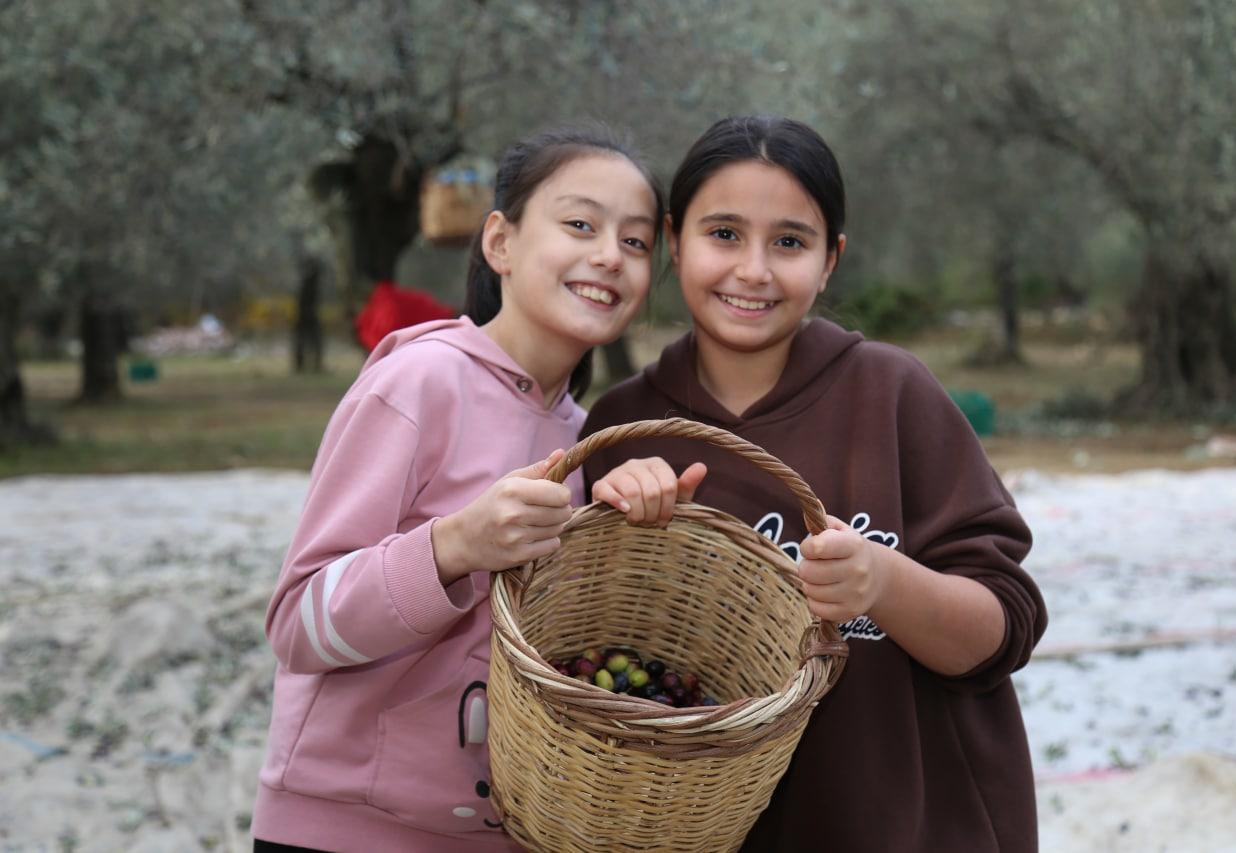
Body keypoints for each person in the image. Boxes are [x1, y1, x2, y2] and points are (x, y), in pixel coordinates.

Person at [584, 115, 1048, 852]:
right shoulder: (622, 427)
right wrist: (611, 528)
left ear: (830, 259)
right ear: (675, 240)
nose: (755, 270)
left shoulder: (892, 394)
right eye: (724, 234)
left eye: (790, 242)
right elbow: (586, 660)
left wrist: (884, 584)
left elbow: (1003, 631)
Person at [251, 125, 671, 853]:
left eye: (636, 242)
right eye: (580, 224)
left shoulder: (587, 436)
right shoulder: (418, 383)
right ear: (499, 243)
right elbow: (297, 624)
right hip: (346, 830)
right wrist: (452, 546)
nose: (610, 254)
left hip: (505, 831)